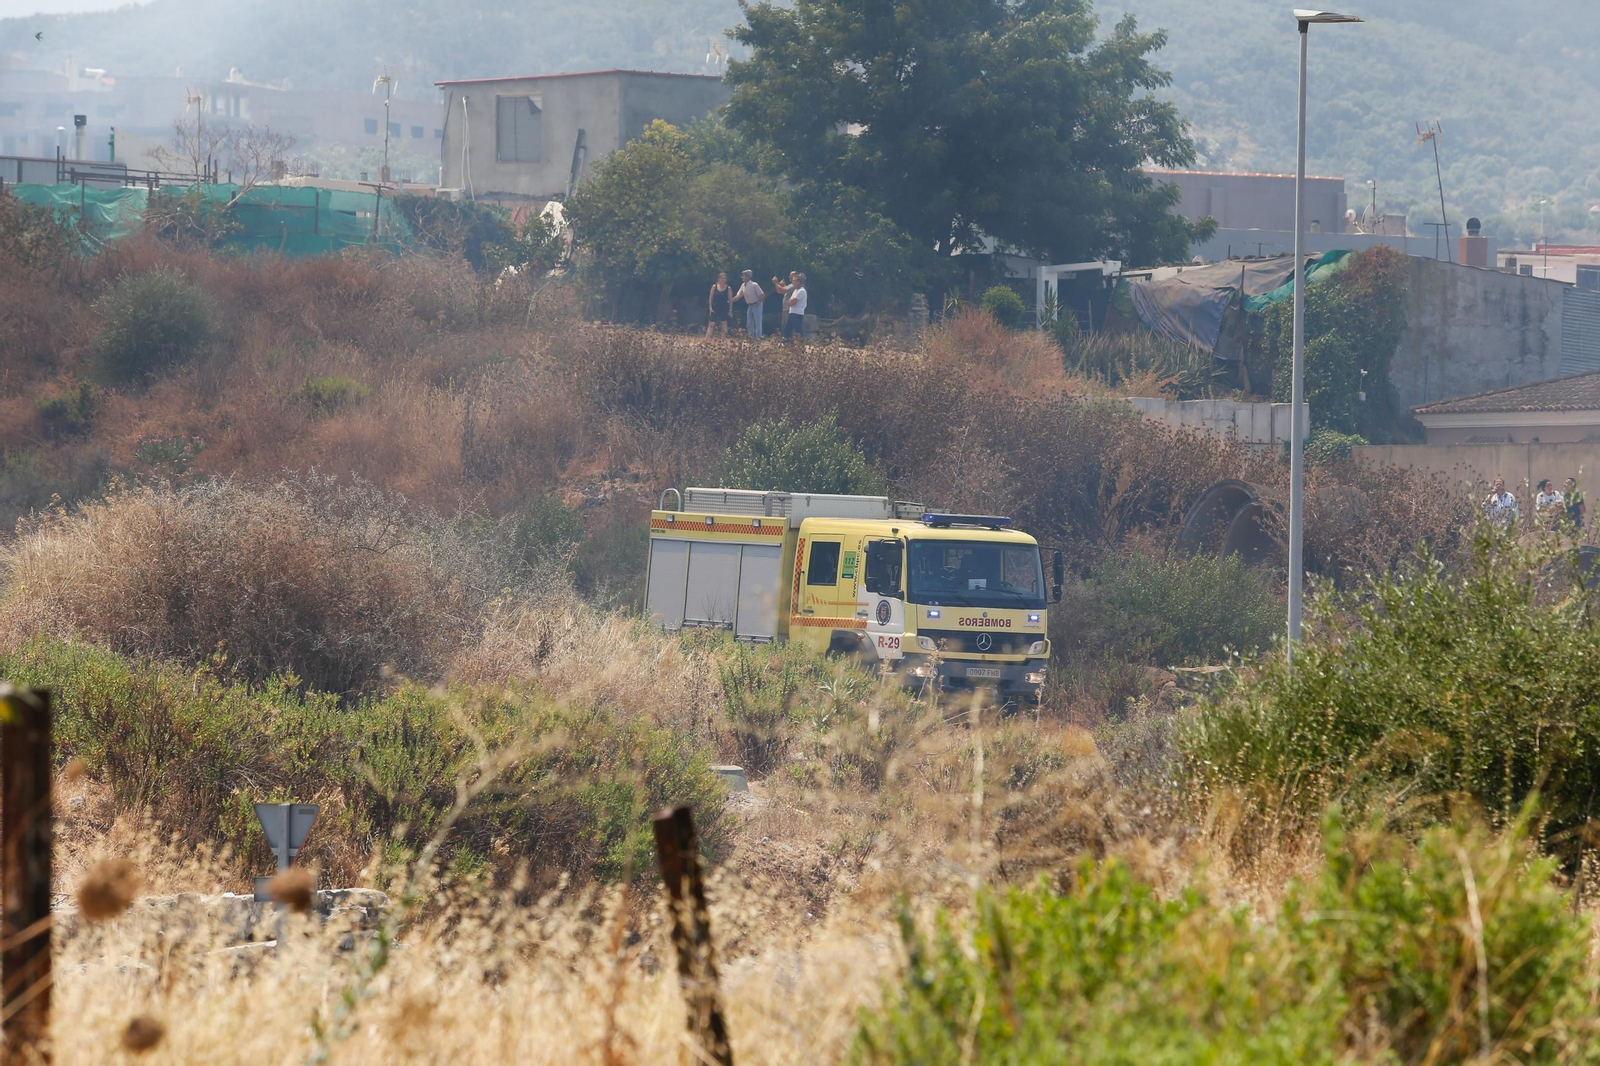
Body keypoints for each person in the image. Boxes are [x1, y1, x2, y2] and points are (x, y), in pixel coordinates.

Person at [736, 270, 765, 340]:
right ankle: (750, 336)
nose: (742, 277)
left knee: (757, 322)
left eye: (743, 275)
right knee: (749, 322)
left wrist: (758, 302)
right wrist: (731, 300)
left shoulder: (754, 284)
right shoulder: (743, 285)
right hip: (750, 305)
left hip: (756, 305)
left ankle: (758, 337)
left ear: (748, 276)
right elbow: (738, 295)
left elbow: (762, 294)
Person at [781, 271, 808, 342]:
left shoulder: (801, 291)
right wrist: (789, 302)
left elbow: (792, 302)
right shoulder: (796, 290)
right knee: (787, 329)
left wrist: (789, 302)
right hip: (792, 312)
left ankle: (802, 342)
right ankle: (787, 341)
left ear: (799, 282)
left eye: (794, 281)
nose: (793, 283)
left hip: (797, 313)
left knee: (798, 329)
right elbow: (790, 301)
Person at [706, 271, 733, 339]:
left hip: (724, 308)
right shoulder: (714, 287)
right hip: (714, 308)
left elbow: (730, 300)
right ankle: (706, 340)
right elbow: (711, 298)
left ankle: (723, 341)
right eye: (722, 278)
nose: (723, 280)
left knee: (724, 324)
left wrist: (730, 310)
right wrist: (710, 307)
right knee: (711, 324)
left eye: (724, 278)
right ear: (719, 279)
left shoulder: (728, 288)